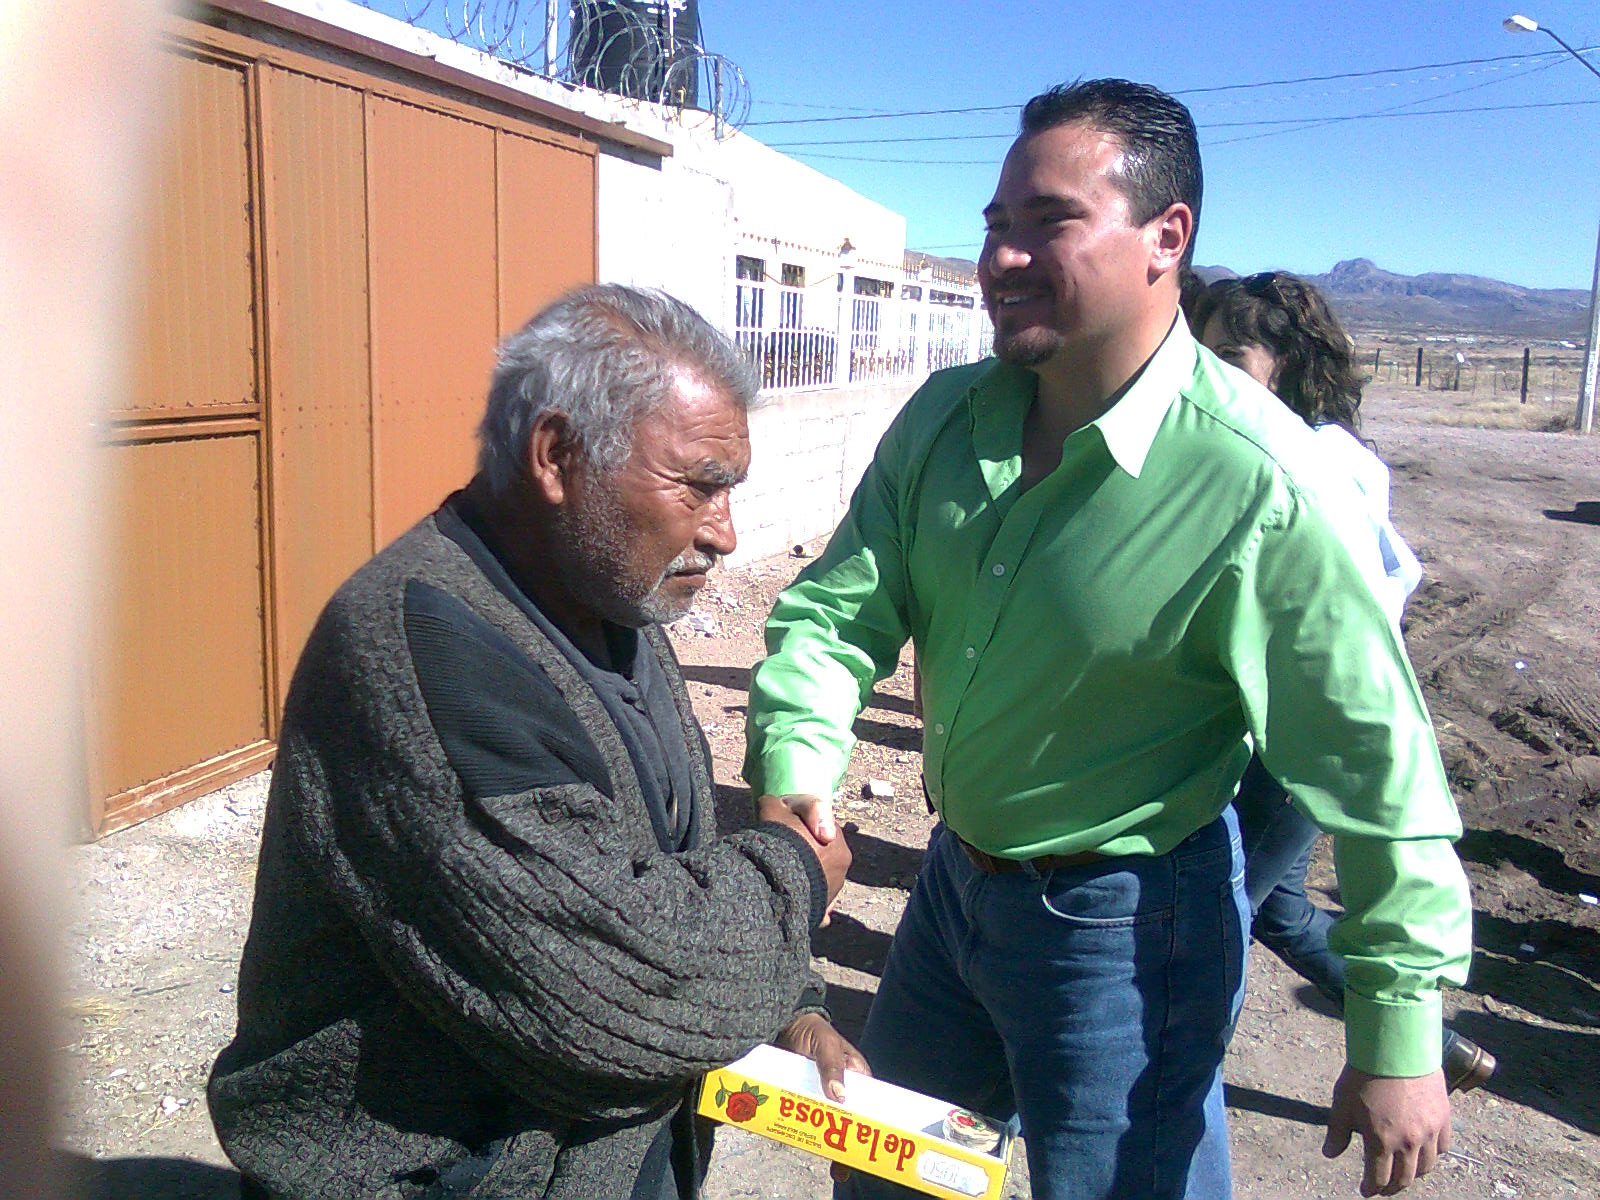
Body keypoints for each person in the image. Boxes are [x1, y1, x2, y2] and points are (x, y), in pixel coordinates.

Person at [744, 79, 1471, 1199]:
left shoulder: (1260, 485)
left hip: (1126, 932)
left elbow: (1379, 771)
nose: (1002, 257)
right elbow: (838, 609)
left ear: (1164, 238)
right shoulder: (947, 416)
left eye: (1049, 222)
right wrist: (797, 763)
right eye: (995, 226)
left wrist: (1396, 1031)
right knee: (886, 1175)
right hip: (951, 893)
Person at [208, 285, 861, 1200]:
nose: (725, 531)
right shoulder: (422, 655)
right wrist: (792, 875)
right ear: (557, 454)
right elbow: (615, 994)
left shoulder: (615, 606)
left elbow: (667, 865)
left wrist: (790, 1005)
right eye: (699, 484)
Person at [1192, 271, 1496, 1094]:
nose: (1208, 372)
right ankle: (1433, 1045)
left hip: (1294, 736)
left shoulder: (1315, 461)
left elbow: (1352, 607)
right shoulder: (1282, 445)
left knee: (1221, 917)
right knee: (1278, 906)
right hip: (1269, 729)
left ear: (1288, 363)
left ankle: (1174, 1080)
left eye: (1230, 356)